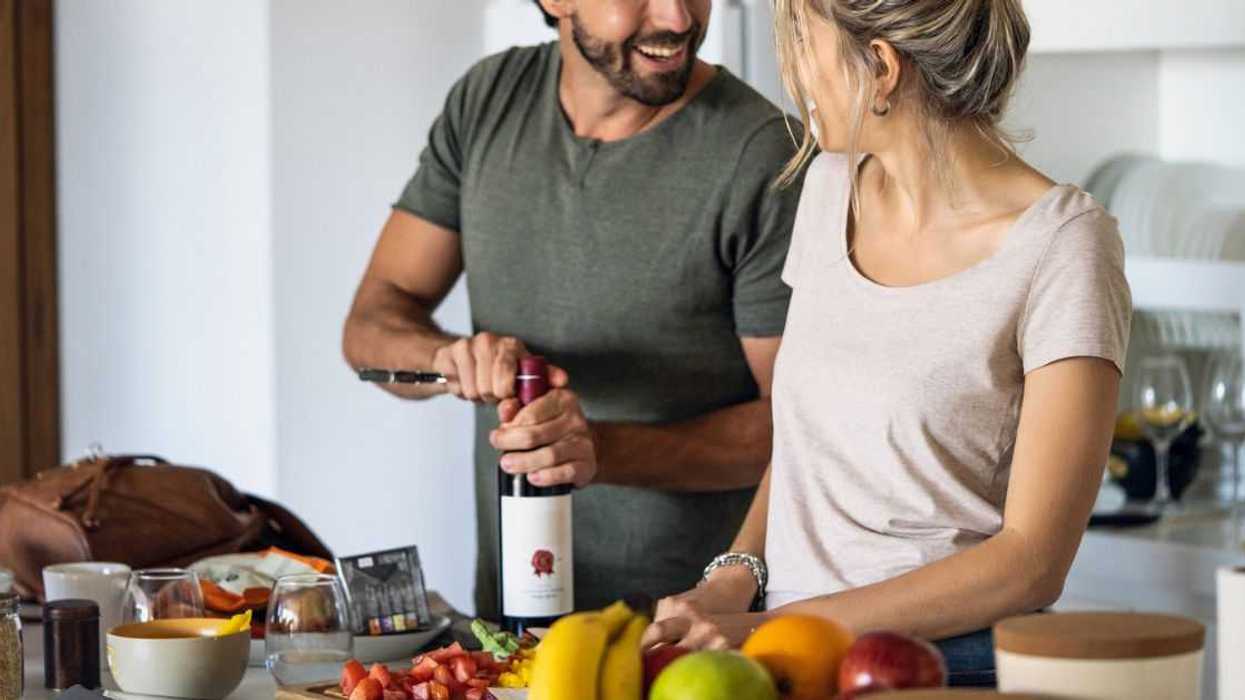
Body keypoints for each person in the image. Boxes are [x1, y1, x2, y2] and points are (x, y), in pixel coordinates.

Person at [643, 0, 1131, 685]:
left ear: (879, 67)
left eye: (804, 46)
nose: (797, 78)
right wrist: (732, 577)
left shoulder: (1062, 245)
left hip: (939, 665)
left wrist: (772, 627)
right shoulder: (826, 188)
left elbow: (1031, 562)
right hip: (777, 655)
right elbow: (808, 446)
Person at [341, 0, 804, 617]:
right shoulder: (488, 98)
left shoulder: (766, 153)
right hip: (511, 631)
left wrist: (600, 451)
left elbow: (803, 427)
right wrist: (448, 359)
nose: (676, 18)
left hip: (687, 635)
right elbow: (372, 320)